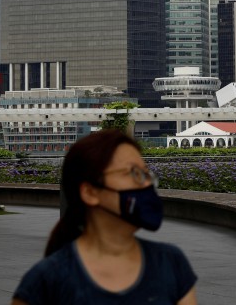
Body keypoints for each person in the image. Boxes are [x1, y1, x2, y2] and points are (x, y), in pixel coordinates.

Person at [12, 130, 197, 305]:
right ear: (90, 192)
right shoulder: (45, 281)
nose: (147, 184)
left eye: (147, 173)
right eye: (133, 173)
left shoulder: (171, 263)